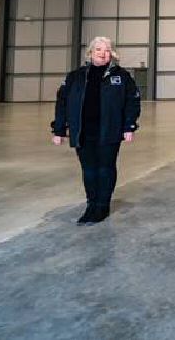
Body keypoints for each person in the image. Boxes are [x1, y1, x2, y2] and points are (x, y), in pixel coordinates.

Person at [51, 36, 141, 225]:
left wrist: (129, 126)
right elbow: (62, 103)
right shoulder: (75, 76)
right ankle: (91, 204)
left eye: (107, 50)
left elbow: (132, 101)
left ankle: (102, 205)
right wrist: (59, 129)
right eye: (98, 49)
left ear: (112, 54)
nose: (103, 53)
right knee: (89, 169)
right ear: (90, 52)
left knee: (105, 168)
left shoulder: (122, 76)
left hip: (109, 131)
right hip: (83, 131)